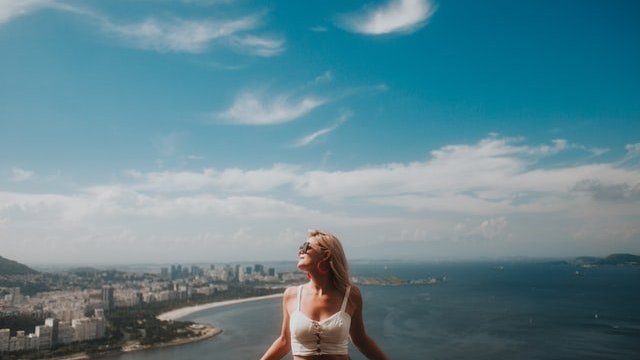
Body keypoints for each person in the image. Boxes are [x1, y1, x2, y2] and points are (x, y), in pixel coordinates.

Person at [260, 230, 389, 360]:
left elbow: (361, 341)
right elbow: (284, 342)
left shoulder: (350, 295)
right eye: (300, 247)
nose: (300, 251)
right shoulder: (291, 295)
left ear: (326, 254)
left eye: (306, 246)